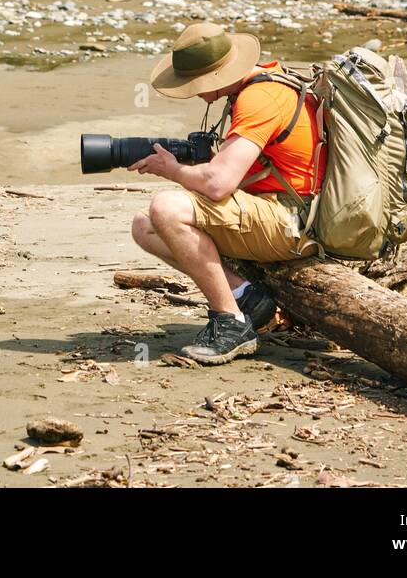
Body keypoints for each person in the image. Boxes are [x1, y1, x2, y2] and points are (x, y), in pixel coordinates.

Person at [130, 21, 326, 364]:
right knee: (143, 225)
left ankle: (231, 324)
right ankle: (245, 296)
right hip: (276, 211)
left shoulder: (259, 98)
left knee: (167, 207)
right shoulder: (263, 82)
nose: (191, 91)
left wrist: (173, 171)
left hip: (293, 222)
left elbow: (219, 184)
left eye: (193, 84)